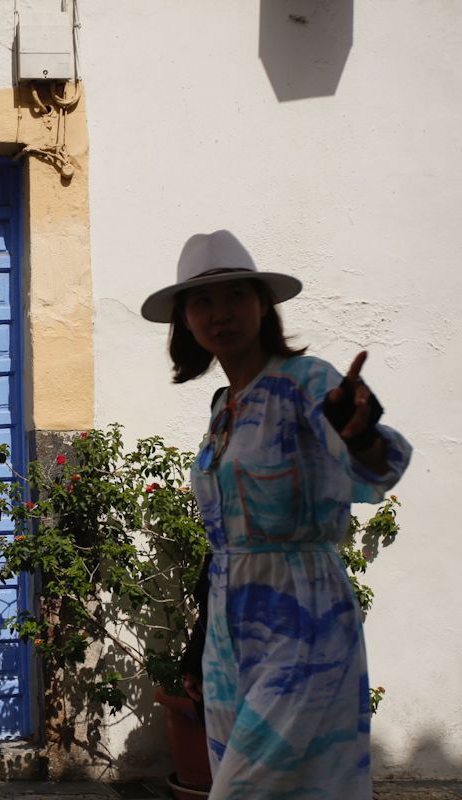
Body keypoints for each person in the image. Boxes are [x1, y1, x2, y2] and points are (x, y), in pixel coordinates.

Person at [140, 230, 412, 799]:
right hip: (228, 632)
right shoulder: (222, 409)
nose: (221, 313)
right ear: (185, 322)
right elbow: (228, 539)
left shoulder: (308, 382)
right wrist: (199, 642)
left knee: (249, 791)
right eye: (203, 302)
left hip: (302, 620)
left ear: (263, 305)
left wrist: (360, 434)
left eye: (236, 295)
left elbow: (377, 467)